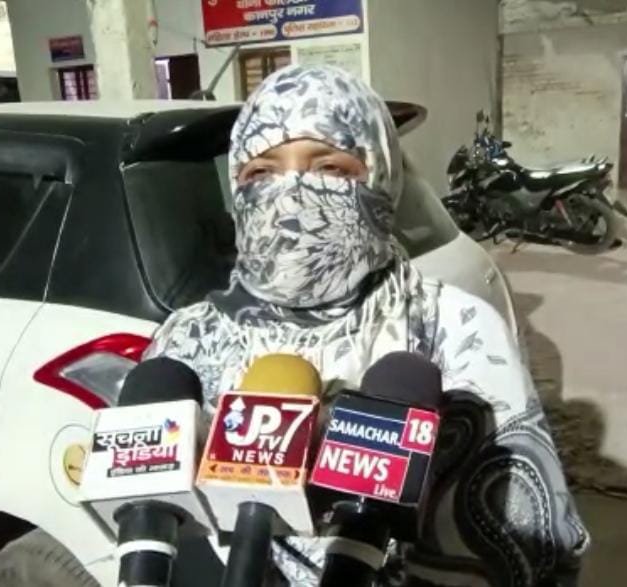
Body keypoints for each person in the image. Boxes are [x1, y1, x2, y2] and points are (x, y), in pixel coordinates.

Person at [144, 64, 587, 586]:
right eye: (261, 173)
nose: (292, 197)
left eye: (330, 169)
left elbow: (528, 544)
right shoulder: (185, 340)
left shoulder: (456, 328)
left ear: (381, 181)